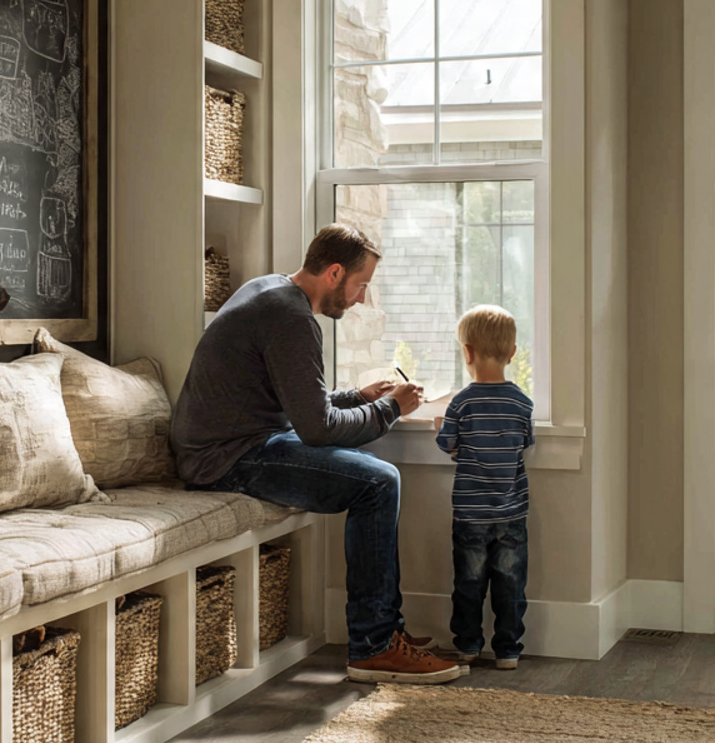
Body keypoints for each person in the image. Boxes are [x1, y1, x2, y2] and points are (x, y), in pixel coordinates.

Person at [172, 223, 464, 684]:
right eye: (360, 285)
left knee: (378, 477)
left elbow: (303, 403)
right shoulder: (291, 319)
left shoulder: (269, 289)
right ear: (333, 273)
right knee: (379, 483)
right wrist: (391, 408)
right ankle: (375, 645)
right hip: (226, 458)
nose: (362, 299)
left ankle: (386, 634)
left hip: (240, 440)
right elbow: (318, 429)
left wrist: (359, 396)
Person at [434, 305, 534, 669]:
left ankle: (468, 645)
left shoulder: (461, 403)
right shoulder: (522, 403)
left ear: (467, 352)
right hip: (511, 513)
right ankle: (508, 650)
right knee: (510, 585)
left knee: (469, 583)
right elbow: (525, 443)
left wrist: (441, 427)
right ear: (512, 353)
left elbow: (447, 445)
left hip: (470, 513)